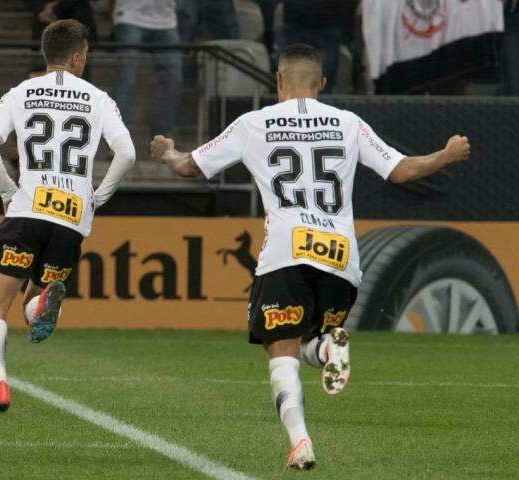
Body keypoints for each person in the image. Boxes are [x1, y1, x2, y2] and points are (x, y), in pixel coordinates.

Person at [150, 44, 470, 470]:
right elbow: (402, 171)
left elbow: (191, 166)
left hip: (284, 250)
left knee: (279, 348)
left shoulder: (254, 123)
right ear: (321, 83)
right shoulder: (349, 123)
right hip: (340, 257)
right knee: (305, 338)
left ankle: (300, 440)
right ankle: (323, 351)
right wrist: (446, 155)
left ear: (279, 81)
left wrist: (169, 152)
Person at [0, 19, 135, 413]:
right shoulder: (99, 99)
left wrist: (7, 192)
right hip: (71, 219)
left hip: (26, 209)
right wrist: (98, 197)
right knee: (35, 312)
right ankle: (43, 299)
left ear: (47, 54)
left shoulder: (20, 93)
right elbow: (127, 154)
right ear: (79, 57)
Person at [111, 0, 182, 136]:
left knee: (174, 80)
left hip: (166, 21)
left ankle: (162, 135)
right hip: (130, 16)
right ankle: (116, 138)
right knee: (126, 78)